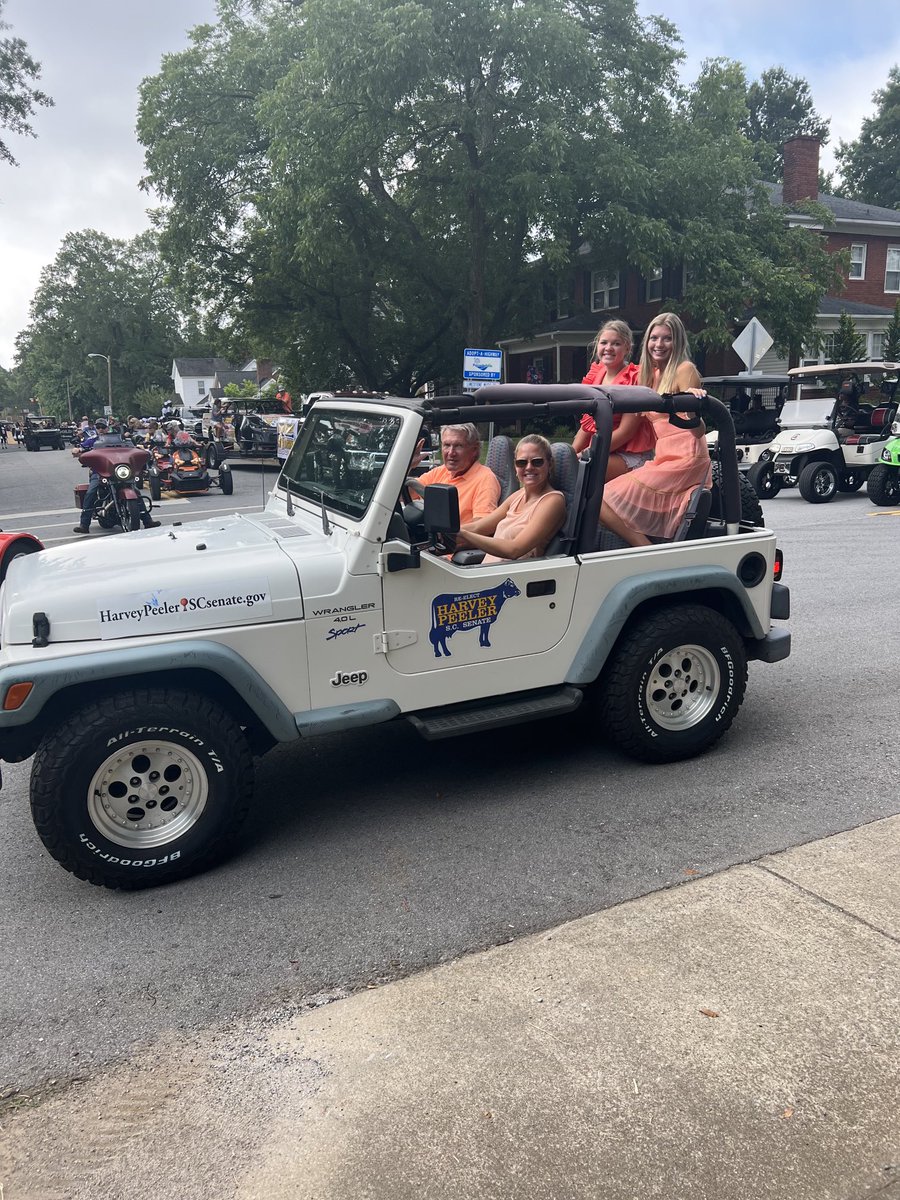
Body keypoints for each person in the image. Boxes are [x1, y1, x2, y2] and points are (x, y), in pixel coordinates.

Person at [599, 313, 710, 547]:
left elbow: (699, 431)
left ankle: (645, 550)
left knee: (602, 499)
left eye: (667, 338)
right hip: (662, 458)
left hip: (686, 458)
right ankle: (645, 547)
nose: (659, 344)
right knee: (600, 497)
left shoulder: (684, 369)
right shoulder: (649, 375)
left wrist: (692, 407)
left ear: (677, 341)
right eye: (654, 338)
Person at [453, 435, 566, 564]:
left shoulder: (553, 501)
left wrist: (463, 534)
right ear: (515, 466)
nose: (529, 467)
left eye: (537, 462)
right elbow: (479, 527)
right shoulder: (518, 495)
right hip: (485, 573)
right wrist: (446, 530)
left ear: (550, 464)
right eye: (522, 462)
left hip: (513, 579)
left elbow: (514, 550)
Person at [574, 319, 654, 478]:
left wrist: (586, 454)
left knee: (577, 469)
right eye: (604, 342)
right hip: (601, 450)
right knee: (557, 465)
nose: (608, 348)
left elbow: (626, 432)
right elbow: (587, 426)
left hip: (629, 453)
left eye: (616, 344)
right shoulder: (596, 374)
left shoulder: (635, 377)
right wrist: (570, 453)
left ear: (627, 348)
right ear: (597, 345)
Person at [73, 418, 161, 534]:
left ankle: (147, 521)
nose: (100, 429)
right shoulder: (92, 441)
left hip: (119, 471)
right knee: (91, 492)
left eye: (103, 427)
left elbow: (131, 447)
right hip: (99, 472)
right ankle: (84, 524)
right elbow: (80, 448)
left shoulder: (120, 439)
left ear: (107, 427)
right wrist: (78, 450)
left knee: (136, 491)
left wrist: (139, 448)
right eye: (98, 427)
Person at [409, 423, 501, 524]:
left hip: (453, 539)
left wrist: (451, 533)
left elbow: (481, 527)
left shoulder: (485, 479)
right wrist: (408, 465)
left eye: (458, 446)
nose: (451, 453)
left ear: (474, 450)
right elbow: (402, 494)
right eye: (447, 445)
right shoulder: (440, 471)